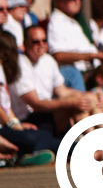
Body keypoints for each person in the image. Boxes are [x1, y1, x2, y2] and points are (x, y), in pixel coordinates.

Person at [11, 25, 98, 135]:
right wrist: (71, 102)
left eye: (44, 40)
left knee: (89, 100)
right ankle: (95, 145)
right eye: (36, 41)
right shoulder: (21, 63)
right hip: (29, 118)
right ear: (25, 43)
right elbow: (36, 104)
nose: (41, 44)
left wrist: (90, 95)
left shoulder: (48, 60)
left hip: (47, 113)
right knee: (77, 104)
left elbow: (63, 91)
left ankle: (102, 143)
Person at [0, 31, 59, 165]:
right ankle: (28, 156)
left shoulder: (2, 69)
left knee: (42, 134)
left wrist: (17, 124)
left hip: (6, 126)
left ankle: (31, 155)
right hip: (2, 128)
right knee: (34, 138)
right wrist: (12, 125)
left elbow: (6, 107)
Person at [45, 0, 103, 91]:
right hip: (74, 76)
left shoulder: (74, 22)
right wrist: (89, 56)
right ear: (59, 1)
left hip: (90, 73)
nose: (77, 1)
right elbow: (58, 55)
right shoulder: (56, 22)